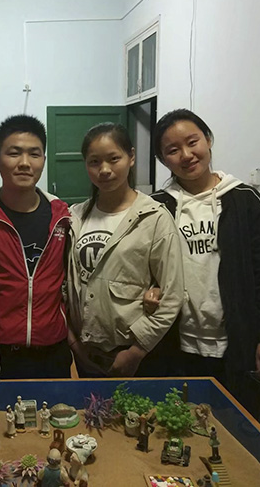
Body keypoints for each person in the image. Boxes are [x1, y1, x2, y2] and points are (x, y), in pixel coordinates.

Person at [148, 108, 260, 423]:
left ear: (208, 140)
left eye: (192, 142)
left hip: (238, 345)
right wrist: (150, 290)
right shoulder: (158, 206)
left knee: (241, 432)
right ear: (162, 159)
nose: (186, 155)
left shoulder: (245, 201)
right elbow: (146, 266)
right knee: (178, 430)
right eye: (172, 150)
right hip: (176, 346)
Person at [66, 122, 184, 378]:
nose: (104, 170)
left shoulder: (154, 217)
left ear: (131, 157)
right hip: (86, 353)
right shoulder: (75, 217)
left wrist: (136, 351)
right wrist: (75, 346)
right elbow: (65, 286)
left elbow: (172, 294)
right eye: (94, 162)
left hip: (136, 355)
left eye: (113, 159)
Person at [0, 115, 71, 378]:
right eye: (14, 153)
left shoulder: (64, 217)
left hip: (53, 351)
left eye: (34, 154)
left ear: (44, 161)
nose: (25, 163)